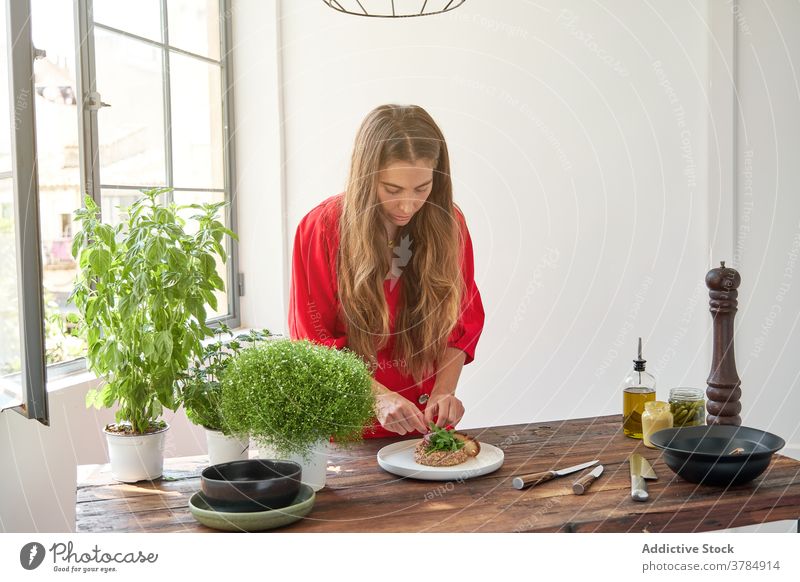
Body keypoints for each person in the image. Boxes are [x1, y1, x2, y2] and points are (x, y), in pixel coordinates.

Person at [288, 104, 485, 439]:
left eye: (422, 189)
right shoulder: (321, 229)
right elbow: (314, 341)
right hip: (347, 429)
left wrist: (443, 392)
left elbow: (462, 322)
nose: (407, 205)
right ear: (366, 177)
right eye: (392, 190)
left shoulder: (449, 224)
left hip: (424, 427)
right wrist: (378, 399)